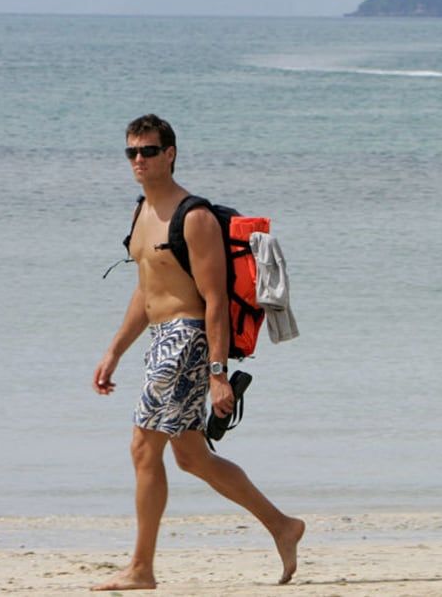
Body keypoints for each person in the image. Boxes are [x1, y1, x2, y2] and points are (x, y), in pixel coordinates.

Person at [91, 114, 304, 590]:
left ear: (170, 153)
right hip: (159, 340)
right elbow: (145, 294)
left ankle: (141, 569)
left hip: (187, 341)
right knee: (191, 457)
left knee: (144, 447)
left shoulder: (195, 217)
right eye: (132, 152)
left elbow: (213, 301)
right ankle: (283, 526)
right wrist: (114, 352)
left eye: (148, 151)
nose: (139, 160)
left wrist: (218, 374)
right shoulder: (141, 213)